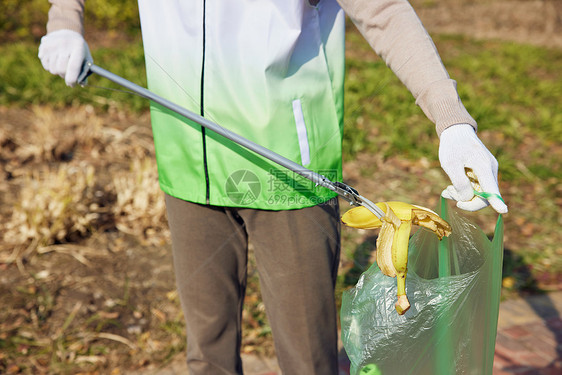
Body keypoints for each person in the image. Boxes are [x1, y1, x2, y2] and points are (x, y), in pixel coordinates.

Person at [38, 1, 508, 374]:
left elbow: (383, 10)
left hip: (289, 176)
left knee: (307, 359)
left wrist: (452, 124)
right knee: (207, 355)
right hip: (187, 165)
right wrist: (65, 18)